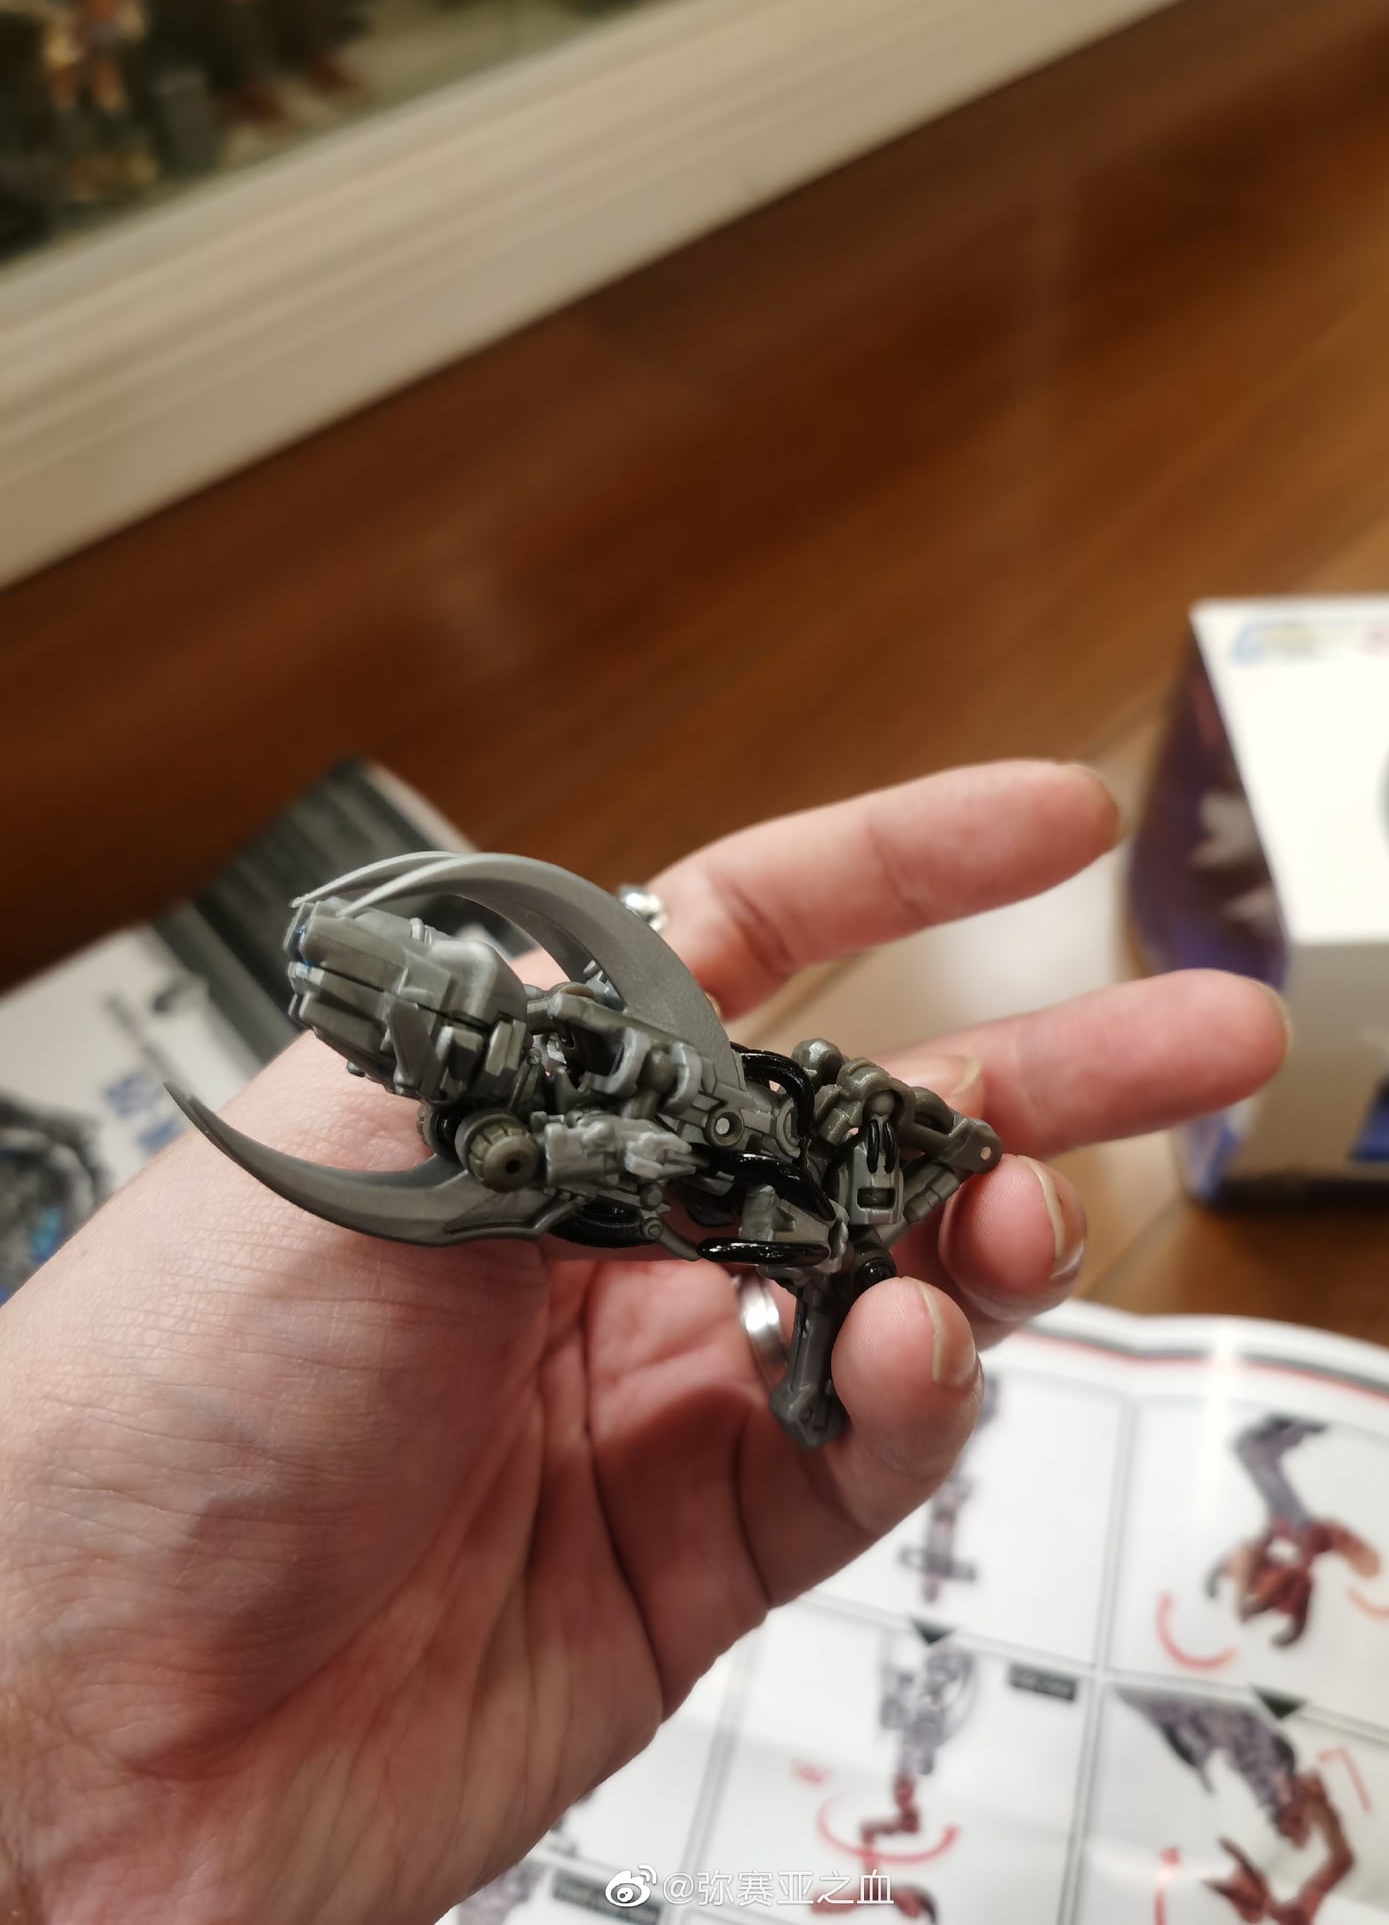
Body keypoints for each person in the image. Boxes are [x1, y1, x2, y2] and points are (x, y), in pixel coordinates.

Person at [0, 761, 1288, 1925]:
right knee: (848, 1298)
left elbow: (697, 1100)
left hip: (772, 1172)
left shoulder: (586, 1040)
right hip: (704, 1202)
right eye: (424, 1014)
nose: (443, 1008)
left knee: (877, 1199)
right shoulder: (496, 1138)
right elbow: (551, 1173)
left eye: (431, 982)